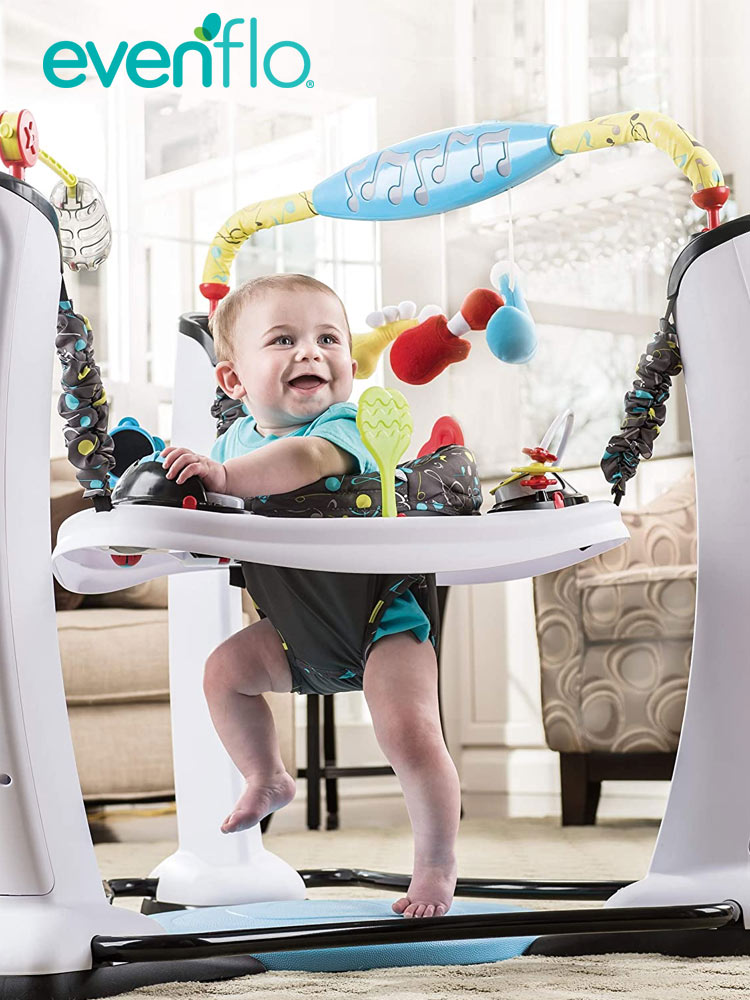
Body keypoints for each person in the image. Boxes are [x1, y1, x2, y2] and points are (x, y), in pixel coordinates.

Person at [161, 273, 460, 919]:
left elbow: (302, 460)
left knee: (409, 732)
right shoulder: (231, 444)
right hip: (295, 625)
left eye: (328, 338)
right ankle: (265, 775)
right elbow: (211, 506)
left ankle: (435, 866)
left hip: (382, 615)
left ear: (350, 366)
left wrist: (223, 478)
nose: (310, 351)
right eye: (283, 339)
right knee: (223, 674)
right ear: (234, 382)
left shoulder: (346, 425)